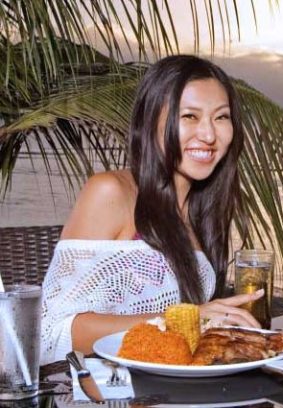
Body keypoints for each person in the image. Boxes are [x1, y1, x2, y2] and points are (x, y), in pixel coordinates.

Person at [40, 55, 263, 364]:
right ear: (150, 122)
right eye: (189, 116)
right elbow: (51, 330)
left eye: (221, 117)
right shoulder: (112, 192)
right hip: (105, 393)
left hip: (173, 388)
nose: (209, 135)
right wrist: (181, 318)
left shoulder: (200, 211)